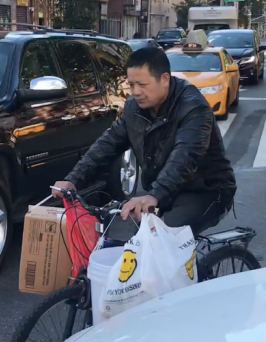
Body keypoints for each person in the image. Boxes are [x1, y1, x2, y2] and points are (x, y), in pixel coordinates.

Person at [51, 47, 237, 242]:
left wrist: (155, 195)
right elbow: (107, 144)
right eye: (131, 84)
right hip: (163, 190)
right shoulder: (134, 108)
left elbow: (185, 157)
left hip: (205, 191)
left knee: (163, 238)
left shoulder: (193, 108)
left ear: (164, 79)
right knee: (138, 246)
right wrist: (73, 179)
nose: (136, 92)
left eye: (142, 84)